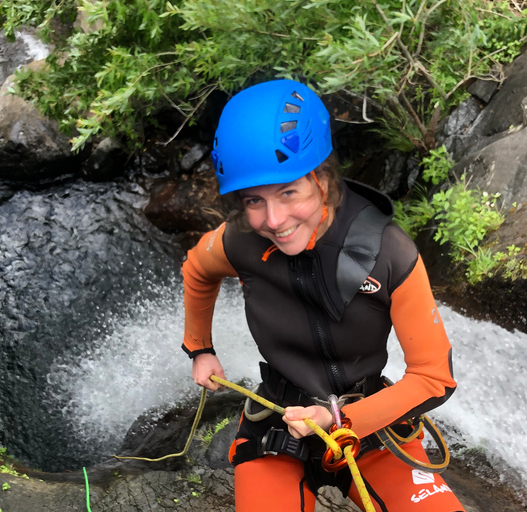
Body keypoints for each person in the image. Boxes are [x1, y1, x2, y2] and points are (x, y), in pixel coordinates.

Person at [181, 79, 464, 512]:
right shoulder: (237, 240)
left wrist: (339, 420)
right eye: (254, 200)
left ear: (322, 179)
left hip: (369, 421)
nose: (273, 219)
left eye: (289, 192)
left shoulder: (389, 253)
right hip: (278, 416)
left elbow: (433, 376)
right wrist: (200, 348)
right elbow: (197, 270)